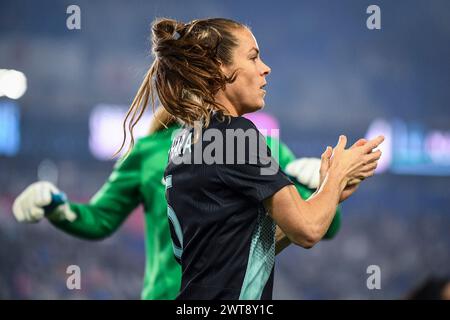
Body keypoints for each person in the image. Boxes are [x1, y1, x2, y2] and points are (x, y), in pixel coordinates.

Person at [118, 17, 384, 300]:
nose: (265, 68)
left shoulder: (187, 141)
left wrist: (328, 195)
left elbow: (240, 250)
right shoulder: (235, 136)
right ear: (221, 66)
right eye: (253, 57)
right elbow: (307, 230)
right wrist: (337, 174)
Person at [12, 107, 341, 299]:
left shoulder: (260, 144)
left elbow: (321, 227)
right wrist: (57, 206)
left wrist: (320, 186)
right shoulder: (149, 150)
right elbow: (100, 218)